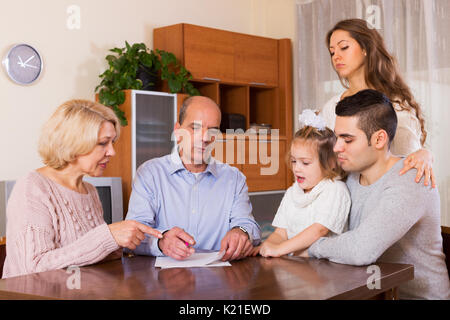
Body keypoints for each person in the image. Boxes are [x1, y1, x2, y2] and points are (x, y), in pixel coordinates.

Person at [306, 89, 450, 299]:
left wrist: (312, 246)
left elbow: (361, 250)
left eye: (347, 140)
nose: (336, 147)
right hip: (372, 292)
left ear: (379, 139)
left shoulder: (411, 179)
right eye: (337, 137)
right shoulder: (351, 175)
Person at [2, 100, 162, 279]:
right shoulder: (32, 188)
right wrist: (108, 236)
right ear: (74, 143)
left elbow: (89, 257)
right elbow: (33, 269)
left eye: (112, 142)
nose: (112, 152)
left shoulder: (89, 191)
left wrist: (122, 243)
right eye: (103, 143)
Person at [125, 96, 261, 261]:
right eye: (195, 127)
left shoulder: (234, 179)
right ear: (178, 131)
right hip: (163, 281)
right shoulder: (150, 174)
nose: (204, 138)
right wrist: (161, 243)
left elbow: (248, 224)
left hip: (220, 278)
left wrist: (241, 232)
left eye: (212, 130)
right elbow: (132, 235)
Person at [320, 18, 435, 187]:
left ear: (366, 48)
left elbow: (411, 164)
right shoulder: (331, 108)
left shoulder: (395, 108)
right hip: (342, 200)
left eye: (344, 47)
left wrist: (425, 155)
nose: (336, 56)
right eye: (332, 52)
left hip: (385, 197)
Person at [251, 110, 350, 258]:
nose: (297, 168)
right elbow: (281, 232)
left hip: (324, 271)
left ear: (331, 163)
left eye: (305, 163)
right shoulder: (293, 191)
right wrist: (267, 246)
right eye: (293, 161)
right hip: (294, 266)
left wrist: (280, 249)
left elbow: (319, 230)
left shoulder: (334, 189)